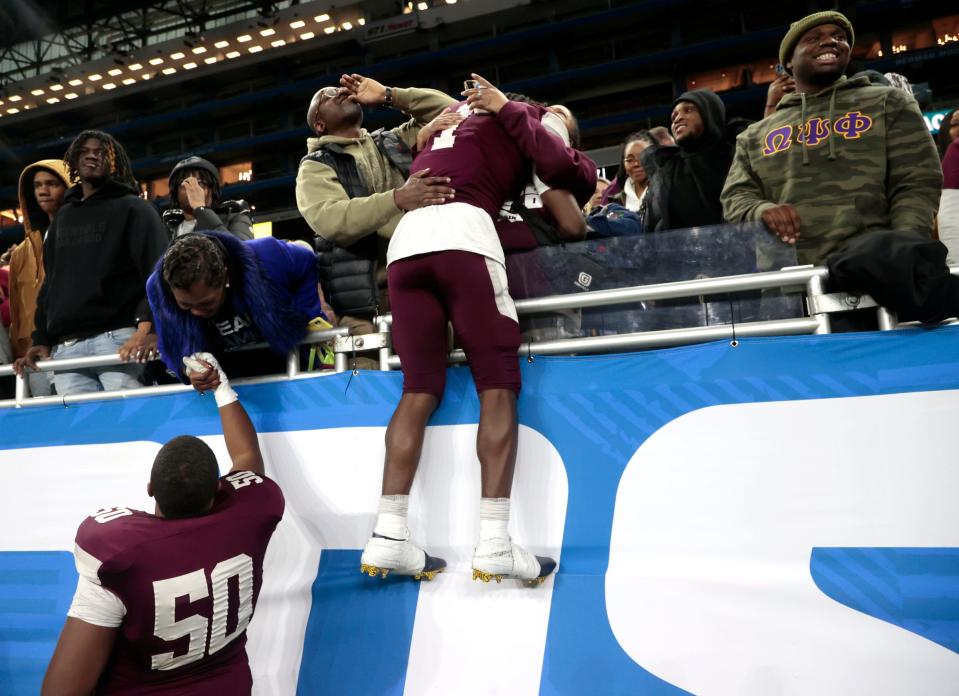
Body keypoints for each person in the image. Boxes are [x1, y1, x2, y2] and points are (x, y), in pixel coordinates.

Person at [359, 74, 587, 587]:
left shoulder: (450, 121)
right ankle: (495, 541)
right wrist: (521, 115)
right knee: (498, 384)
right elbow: (557, 166)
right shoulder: (520, 114)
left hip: (406, 243)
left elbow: (423, 139)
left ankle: (389, 534)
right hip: (464, 235)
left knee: (417, 390)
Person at [41, 354, 284, 695]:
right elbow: (246, 459)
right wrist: (221, 388)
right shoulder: (253, 511)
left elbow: (62, 690)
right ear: (217, 487)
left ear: (150, 489)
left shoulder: (121, 552)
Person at [721, 11, 942, 266]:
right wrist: (761, 211)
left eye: (839, 37)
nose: (830, 42)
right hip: (788, 282)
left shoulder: (887, 102)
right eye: (814, 38)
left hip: (875, 272)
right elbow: (734, 199)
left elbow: (917, 181)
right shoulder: (754, 135)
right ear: (789, 62)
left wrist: (902, 248)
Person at [295, 74, 456, 338]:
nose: (339, 91)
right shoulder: (314, 166)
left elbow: (450, 111)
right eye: (327, 95)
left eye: (338, 89)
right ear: (320, 124)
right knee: (372, 378)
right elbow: (333, 220)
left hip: (423, 284)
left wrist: (389, 96)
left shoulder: (391, 142)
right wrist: (397, 198)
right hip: (366, 308)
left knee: (437, 374)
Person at [13, 131, 169, 395]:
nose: (92, 156)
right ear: (73, 161)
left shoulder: (135, 208)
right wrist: (42, 339)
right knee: (81, 433)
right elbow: (52, 286)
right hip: (67, 347)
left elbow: (158, 272)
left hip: (120, 340)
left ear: (114, 161)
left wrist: (151, 328)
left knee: (127, 428)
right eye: (84, 152)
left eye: (100, 152)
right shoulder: (62, 218)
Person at [147, 231, 325, 382]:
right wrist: (188, 370)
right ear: (170, 290)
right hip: (229, 378)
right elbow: (171, 347)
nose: (197, 312)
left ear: (226, 276)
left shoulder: (267, 255)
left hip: (287, 363)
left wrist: (305, 315)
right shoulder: (157, 289)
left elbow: (308, 261)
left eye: (206, 303)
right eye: (185, 304)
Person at [7, 160, 71, 397]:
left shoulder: (81, 236)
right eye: (37, 185)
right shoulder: (21, 253)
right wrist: (20, 352)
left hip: (71, 345)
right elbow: (17, 311)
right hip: (33, 355)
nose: (43, 191)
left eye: (52, 183)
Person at [641, 89, 734, 231]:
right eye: (674, 117)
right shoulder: (664, 173)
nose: (678, 119)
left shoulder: (738, 156)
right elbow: (651, 229)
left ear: (710, 113)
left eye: (688, 110)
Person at [163, 156, 253, 240]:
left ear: (213, 189)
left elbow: (241, 252)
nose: (193, 189)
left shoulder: (235, 216)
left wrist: (201, 209)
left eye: (200, 183)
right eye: (186, 184)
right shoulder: (165, 229)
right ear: (175, 193)